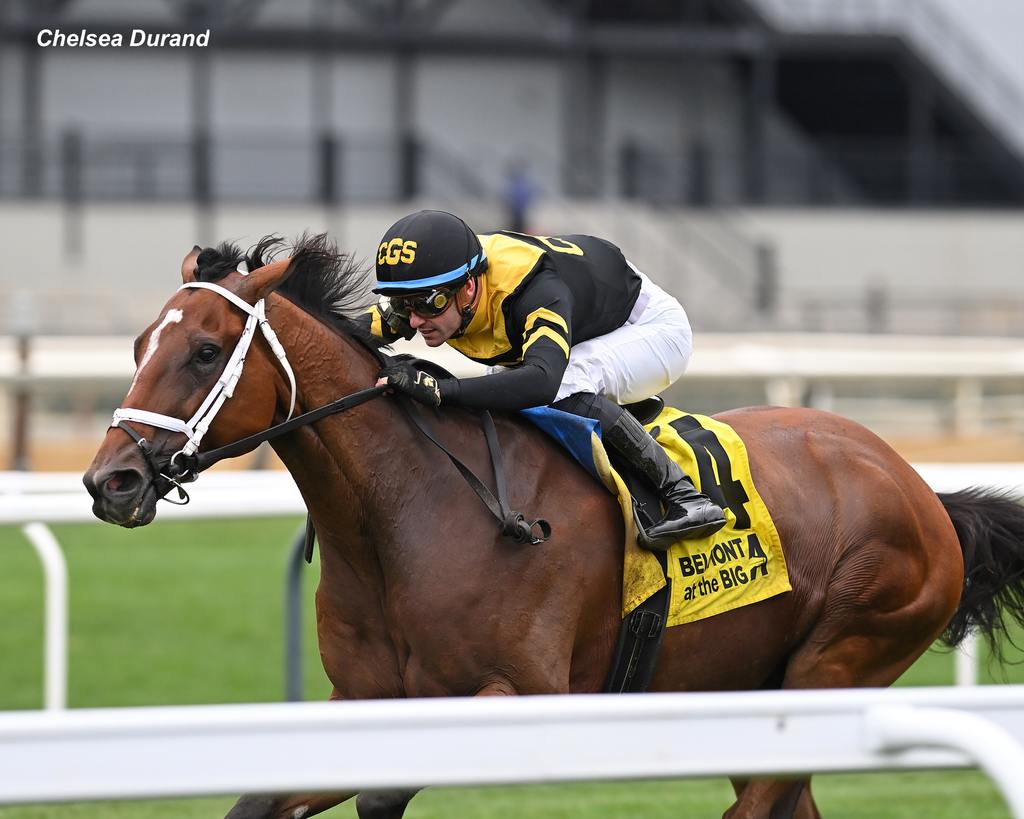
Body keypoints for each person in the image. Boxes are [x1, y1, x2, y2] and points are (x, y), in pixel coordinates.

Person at [364, 209, 725, 548]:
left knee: (563, 382)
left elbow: (542, 382)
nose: (413, 321)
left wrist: (442, 390)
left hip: (649, 328)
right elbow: (351, 331)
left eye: (427, 304)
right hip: (582, 318)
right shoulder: (441, 285)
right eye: (403, 305)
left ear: (469, 288)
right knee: (502, 391)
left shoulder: (532, 290)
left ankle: (684, 496)